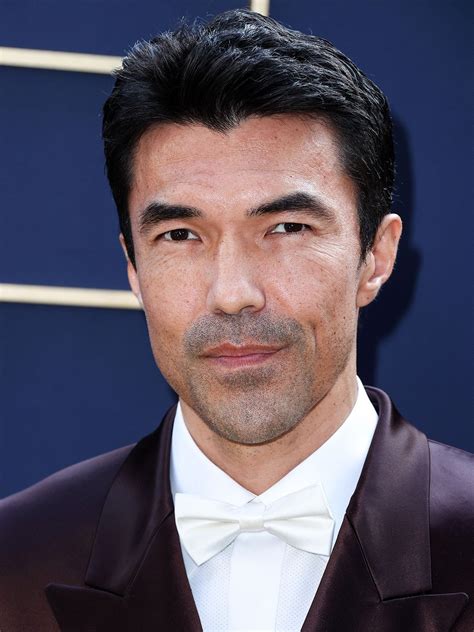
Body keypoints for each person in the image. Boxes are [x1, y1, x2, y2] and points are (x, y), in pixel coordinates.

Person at [0, 9, 472, 632]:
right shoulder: (15, 558)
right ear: (134, 267)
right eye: (180, 235)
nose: (232, 295)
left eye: (286, 228)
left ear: (375, 257)